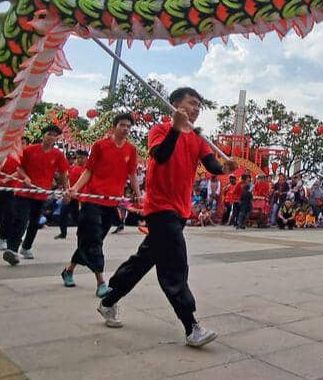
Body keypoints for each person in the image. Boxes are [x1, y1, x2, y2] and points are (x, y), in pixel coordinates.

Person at [97, 88, 237, 347]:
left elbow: (212, 166)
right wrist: (175, 127)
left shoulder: (197, 138)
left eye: (198, 106)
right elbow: (160, 155)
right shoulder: (160, 130)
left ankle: (108, 300)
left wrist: (225, 168)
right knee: (174, 264)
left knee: (145, 259)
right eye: (191, 103)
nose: (195, 109)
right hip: (160, 208)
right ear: (174, 105)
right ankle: (191, 326)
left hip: (181, 209)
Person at [61, 114, 140, 296]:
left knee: (92, 240)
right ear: (114, 127)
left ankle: (69, 270)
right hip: (92, 201)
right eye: (122, 125)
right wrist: (74, 189)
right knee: (94, 241)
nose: (126, 129)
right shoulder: (100, 146)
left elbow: (133, 175)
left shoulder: (131, 150)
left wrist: (138, 195)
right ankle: (101, 283)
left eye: (129, 126)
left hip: (111, 203)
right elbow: (88, 171)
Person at [3, 126, 68, 266]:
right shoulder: (30, 150)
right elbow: (19, 167)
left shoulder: (58, 155)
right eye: (49, 134)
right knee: (20, 220)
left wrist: (67, 190)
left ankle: (26, 247)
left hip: (41, 193)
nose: (51, 137)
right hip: (24, 191)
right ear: (43, 135)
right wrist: (25, 177)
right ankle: (12, 249)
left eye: (54, 135)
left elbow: (63, 173)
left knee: (34, 222)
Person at [55, 151, 88, 239]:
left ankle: (82, 232)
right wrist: (66, 191)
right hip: (71, 195)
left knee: (78, 216)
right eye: (78, 158)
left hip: (82, 197)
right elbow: (66, 179)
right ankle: (63, 233)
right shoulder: (72, 168)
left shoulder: (87, 170)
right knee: (63, 213)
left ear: (86, 158)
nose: (79, 160)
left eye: (82, 158)